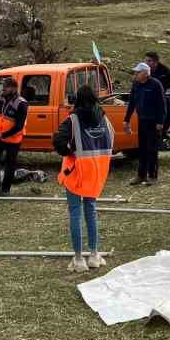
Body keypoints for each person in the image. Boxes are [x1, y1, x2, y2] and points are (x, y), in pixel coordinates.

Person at [53, 84, 113, 273]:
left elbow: (58, 141)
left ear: (77, 99)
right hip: (96, 173)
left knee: (75, 214)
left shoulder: (73, 120)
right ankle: (94, 255)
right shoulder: (103, 118)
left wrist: (69, 151)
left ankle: (79, 259)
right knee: (91, 211)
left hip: (76, 173)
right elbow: (112, 139)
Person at [0, 77, 28, 197]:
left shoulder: (21, 103)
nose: (3, 89)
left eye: (6, 87)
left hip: (13, 139)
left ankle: (5, 189)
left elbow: (19, 126)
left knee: (10, 164)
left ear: (14, 88)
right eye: (2, 87)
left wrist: (3, 135)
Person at [127, 62, 167, 186]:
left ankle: (153, 176)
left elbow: (162, 104)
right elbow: (132, 103)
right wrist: (126, 119)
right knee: (142, 149)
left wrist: (160, 122)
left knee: (152, 149)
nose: (136, 74)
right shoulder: (136, 85)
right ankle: (141, 175)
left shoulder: (155, 84)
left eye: (138, 72)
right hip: (142, 121)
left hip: (154, 122)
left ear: (145, 73)